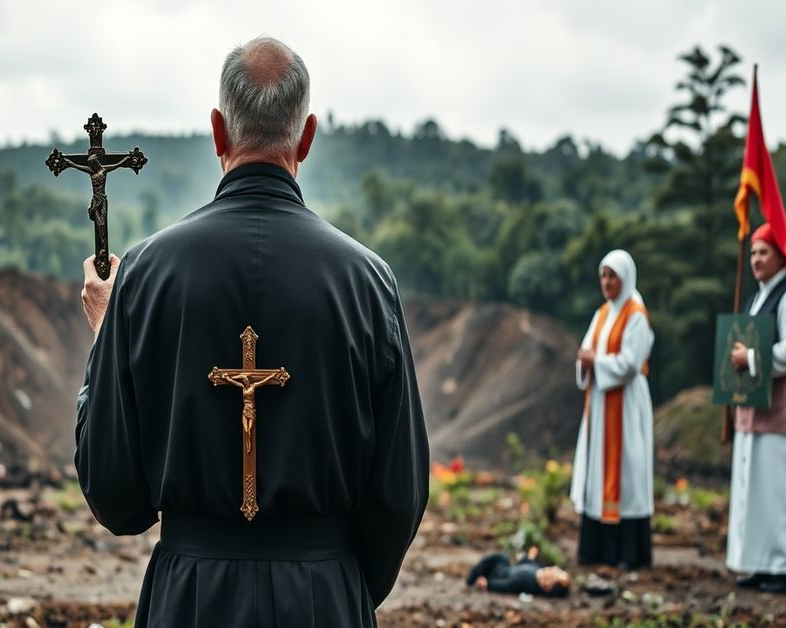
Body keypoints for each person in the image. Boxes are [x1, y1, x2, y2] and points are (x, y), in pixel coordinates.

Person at [75, 37, 429, 627]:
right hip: (324, 598)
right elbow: (400, 490)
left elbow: (115, 495)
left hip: (190, 600)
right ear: (308, 136)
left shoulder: (145, 275)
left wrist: (107, 337)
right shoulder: (367, 282)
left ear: (218, 132)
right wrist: (334, 582)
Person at [726, 222, 786, 594]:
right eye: (752, 253)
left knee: (778, 489)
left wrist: (750, 357)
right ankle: (763, 563)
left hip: (781, 407)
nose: (756, 259)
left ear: (782, 255)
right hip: (756, 406)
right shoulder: (756, 298)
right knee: (756, 488)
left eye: (763, 251)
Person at [569, 249, 654, 570]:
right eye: (603, 275)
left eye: (612, 276)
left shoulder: (636, 315)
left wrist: (596, 362)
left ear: (626, 278)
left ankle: (628, 553)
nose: (606, 282)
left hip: (626, 405)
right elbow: (587, 351)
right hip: (601, 404)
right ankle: (597, 550)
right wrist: (585, 362)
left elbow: (631, 364)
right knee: (598, 474)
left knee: (627, 473)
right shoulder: (602, 313)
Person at [466, 547, 571, 597]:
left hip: (498, 573)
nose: (555, 569)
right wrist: (530, 556)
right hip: (509, 567)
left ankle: (471, 579)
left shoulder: (527, 581)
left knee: (497, 558)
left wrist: (488, 585)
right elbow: (529, 564)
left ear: (548, 585)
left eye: (557, 574)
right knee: (503, 556)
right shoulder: (539, 571)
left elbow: (508, 585)